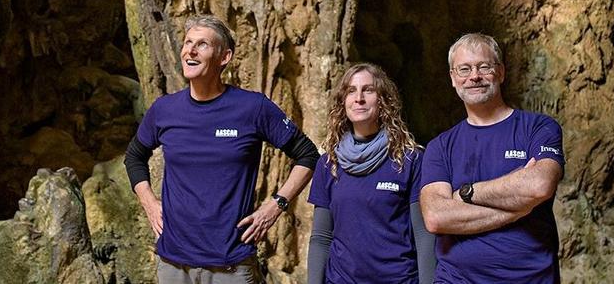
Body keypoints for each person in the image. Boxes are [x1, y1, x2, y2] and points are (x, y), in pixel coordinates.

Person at [124, 14, 320, 283]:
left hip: (231, 266)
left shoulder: (252, 108)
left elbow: (308, 155)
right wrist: (148, 201)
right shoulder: (164, 110)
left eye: (202, 44)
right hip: (173, 265)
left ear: (224, 57)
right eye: (187, 42)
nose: (190, 50)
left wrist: (275, 206)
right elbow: (134, 155)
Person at [420, 33, 565, 283]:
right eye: (464, 69)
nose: (474, 76)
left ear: (500, 72)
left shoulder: (538, 128)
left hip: (530, 278)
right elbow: (436, 217)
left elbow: (538, 185)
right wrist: (519, 208)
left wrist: (466, 193)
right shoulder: (440, 146)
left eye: (483, 67)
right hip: (457, 279)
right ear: (453, 79)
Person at [307, 63, 436, 284]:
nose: (359, 98)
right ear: (343, 101)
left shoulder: (409, 159)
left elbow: (423, 234)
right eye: (351, 91)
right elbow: (321, 237)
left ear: (383, 100)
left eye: (368, 90)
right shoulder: (329, 163)